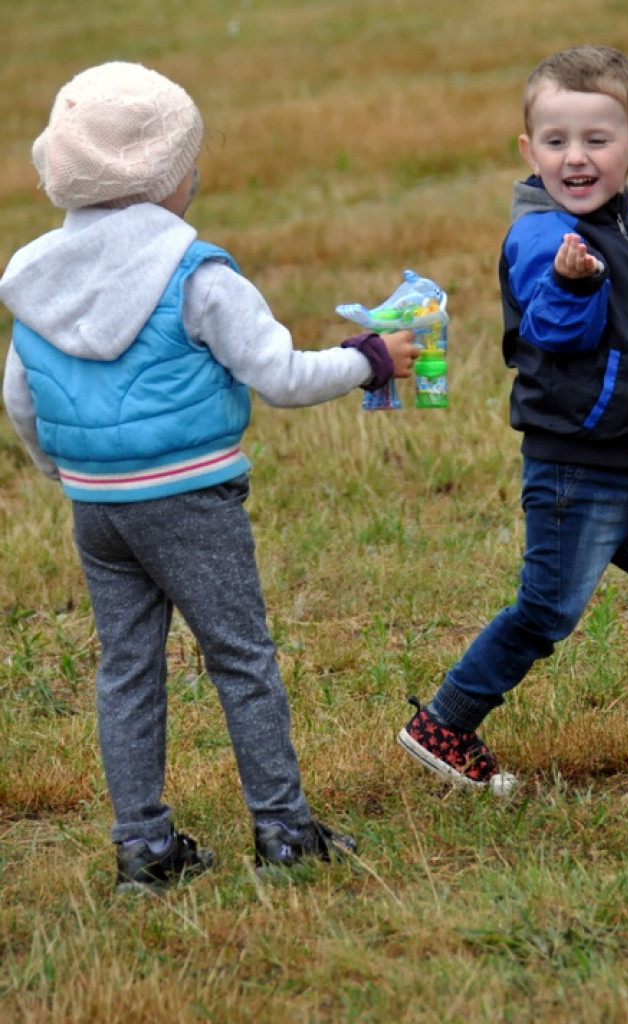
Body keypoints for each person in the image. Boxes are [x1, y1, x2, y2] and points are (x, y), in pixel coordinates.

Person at [0, 61, 420, 891]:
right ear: (170, 178)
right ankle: (284, 830)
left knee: (125, 667)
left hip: (98, 509)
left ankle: (145, 850)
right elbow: (281, 376)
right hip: (189, 500)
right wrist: (369, 359)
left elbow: (20, 401)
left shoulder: (38, 279)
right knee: (241, 660)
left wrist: (66, 471)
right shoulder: (198, 274)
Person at [398, 44, 628, 794]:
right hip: (576, 472)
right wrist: (569, 282)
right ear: (528, 150)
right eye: (556, 142)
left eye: (598, 140)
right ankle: (445, 721)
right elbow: (553, 330)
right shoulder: (544, 239)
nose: (576, 158)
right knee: (546, 612)